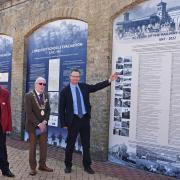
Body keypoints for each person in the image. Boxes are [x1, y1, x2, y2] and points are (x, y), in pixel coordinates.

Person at [59, 69, 117, 174]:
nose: (75, 78)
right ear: (70, 77)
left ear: (79, 78)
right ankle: (68, 165)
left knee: (86, 144)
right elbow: (61, 109)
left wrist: (109, 80)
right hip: (73, 121)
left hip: (85, 119)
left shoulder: (83, 87)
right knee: (70, 145)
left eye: (77, 76)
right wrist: (63, 124)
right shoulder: (65, 91)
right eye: (74, 76)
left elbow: (95, 87)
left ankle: (87, 166)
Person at [24, 77, 53, 175]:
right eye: (40, 83)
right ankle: (33, 168)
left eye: (44, 84)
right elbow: (29, 112)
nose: (42, 86)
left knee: (44, 147)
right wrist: (38, 123)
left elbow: (48, 110)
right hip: (33, 127)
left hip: (43, 126)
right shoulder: (29, 95)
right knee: (32, 147)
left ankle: (42, 165)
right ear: (35, 84)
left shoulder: (46, 95)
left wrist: (45, 121)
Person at [0, 85, 15, 177]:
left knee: (2, 149)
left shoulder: (5, 93)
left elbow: (8, 110)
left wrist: (8, 127)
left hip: (1, 127)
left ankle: (5, 170)